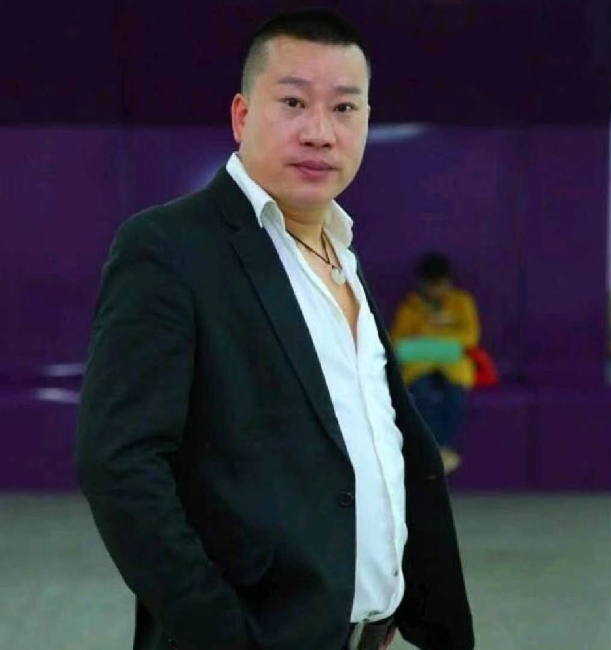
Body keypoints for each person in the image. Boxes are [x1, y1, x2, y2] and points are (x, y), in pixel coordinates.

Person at [75, 9, 474, 650]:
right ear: (241, 116)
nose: (320, 132)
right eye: (293, 102)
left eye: (344, 109)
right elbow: (119, 465)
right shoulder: (170, 249)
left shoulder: (342, 252)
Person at [391, 253, 481, 475]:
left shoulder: (461, 302)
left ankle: (441, 448)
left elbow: (470, 337)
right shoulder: (410, 307)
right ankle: (437, 449)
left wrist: (427, 343)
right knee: (421, 395)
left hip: (453, 366)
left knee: (455, 394)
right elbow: (399, 345)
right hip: (419, 367)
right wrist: (442, 344)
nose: (435, 290)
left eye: (440, 284)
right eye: (431, 285)